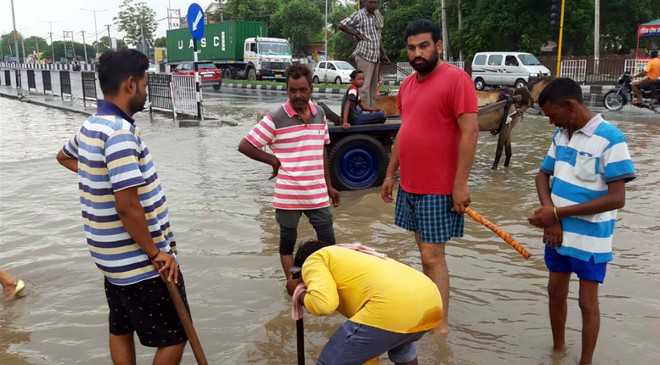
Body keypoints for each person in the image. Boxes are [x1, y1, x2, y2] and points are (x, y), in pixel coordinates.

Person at [56, 49, 189, 365]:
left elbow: (64, 156)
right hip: (142, 263)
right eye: (144, 82)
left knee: (120, 328)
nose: (145, 89)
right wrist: (157, 253)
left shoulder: (92, 125)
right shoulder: (119, 134)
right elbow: (128, 208)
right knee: (176, 336)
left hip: (111, 262)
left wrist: (97, 176)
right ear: (130, 84)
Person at [380, 19, 479, 335]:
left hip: (440, 187)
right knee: (424, 253)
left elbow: (470, 132)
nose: (417, 53)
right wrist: (389, 174)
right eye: (411, 48)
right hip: (410, 184)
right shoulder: (408, 86)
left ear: (438, 45)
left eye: (424, 46)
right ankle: (430, 313)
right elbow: (405, 131)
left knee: (432, 256)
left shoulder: (456, 80)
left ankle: (441, 327)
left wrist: (460, 184)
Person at [529, 78, 635, 365]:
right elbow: (542, 175)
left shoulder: (611, 139)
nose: (551, 122)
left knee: (587, 303)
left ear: (570, 106)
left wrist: (557, 214)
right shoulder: (562, 135)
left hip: (592, 238)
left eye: (552, 115)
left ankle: (585, 361)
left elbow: (616, 198)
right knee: (555, 292)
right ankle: (558, 351)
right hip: (558, 233)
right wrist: (550, 214)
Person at [238, 64, 340, 284]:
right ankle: (292, 282)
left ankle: (327, 281)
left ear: (311, 89)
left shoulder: (319, 113)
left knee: (328, 241)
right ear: (287, 90)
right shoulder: (276, 118)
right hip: (288, 196)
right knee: (287, 242)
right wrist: (273, 160)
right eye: (293, 91)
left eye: (302, 90)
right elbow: (245, 145)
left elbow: (322, 150)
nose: (298, 95)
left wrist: (329, 186)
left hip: (317, 193)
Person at [289, 240, 442, 365]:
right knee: (401, 345)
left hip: (392, 307)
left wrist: (299, 292)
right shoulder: (355, 257)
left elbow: (323, 305)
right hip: (431, 302)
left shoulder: (315, 259)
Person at [338, 0, 390, 109]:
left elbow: (378, 37)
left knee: (373, 87)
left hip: (375, 55)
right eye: (371, 2)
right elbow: (341, 25)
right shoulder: (359, 15)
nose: (373, 5)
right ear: (365, 3)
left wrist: (383, 54)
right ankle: (364, 111)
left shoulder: (377, 15)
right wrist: (355, 33)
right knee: (364, 87)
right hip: (364, 54)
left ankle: (372, 110)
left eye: (375, 2)